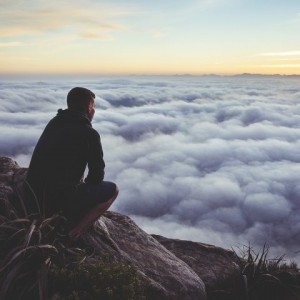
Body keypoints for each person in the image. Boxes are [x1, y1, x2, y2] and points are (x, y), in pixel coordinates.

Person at [26, 87, 119, 239]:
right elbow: (96, 176)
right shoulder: (89, 133)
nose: (94, 110)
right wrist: (82, 187)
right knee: (113, 190)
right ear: (89, 107)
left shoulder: (54, 122)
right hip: (57, 203)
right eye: (93, 106)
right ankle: (73, 232)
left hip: (32, 197)